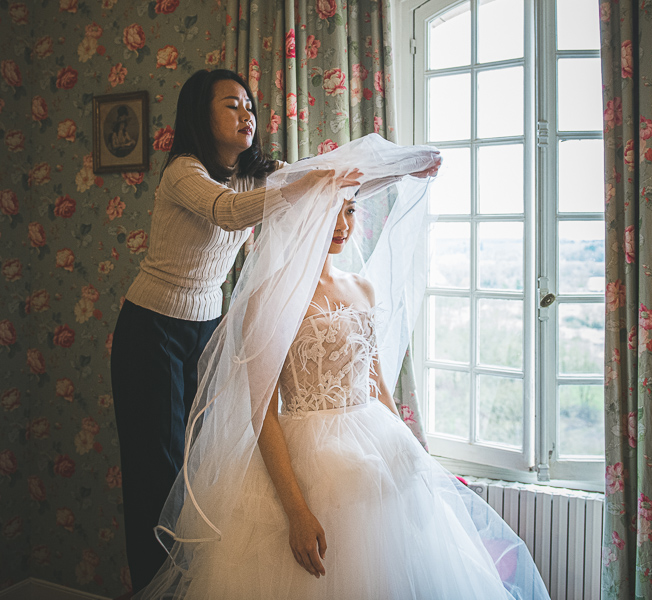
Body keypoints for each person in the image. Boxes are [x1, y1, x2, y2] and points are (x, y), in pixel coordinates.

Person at [135, 134, 550, 599]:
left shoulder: (362, 289)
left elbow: (374, 381)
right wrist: (295, 510)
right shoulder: (273, 297)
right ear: (300, 212)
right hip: (306, 461)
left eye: (349, 209)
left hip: (373, 447)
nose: (341, 223)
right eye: (329, 208)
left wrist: (414, 455)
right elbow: (261, 412)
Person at [109, 69, 364, 593]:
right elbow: (228, 213)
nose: (247, 114)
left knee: (202, 470)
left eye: (250, 105)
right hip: (151, 330)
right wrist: (301, 183)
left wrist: (410, 168)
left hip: (206, 328)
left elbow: (335, 179)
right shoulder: (184, 172)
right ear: (201, 115)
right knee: (155, 477)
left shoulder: (257, 173)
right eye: (232, 105)